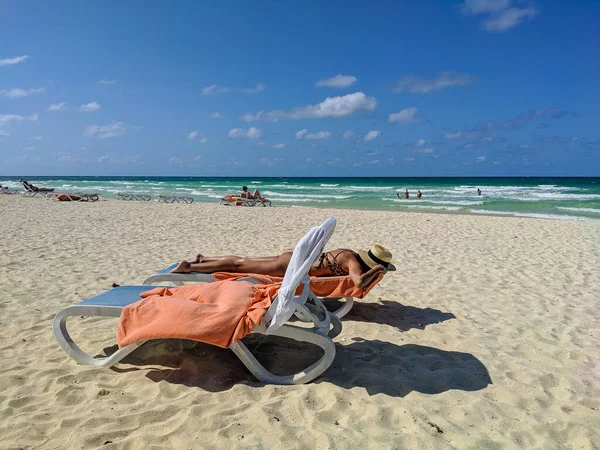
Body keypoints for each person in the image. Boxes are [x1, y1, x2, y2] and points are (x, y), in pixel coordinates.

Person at [171, 244, 396, 288]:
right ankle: (189, 269)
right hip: (290, 266)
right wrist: (378, 270)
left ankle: (203, 259)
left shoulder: (349, 252)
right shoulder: (354, 263)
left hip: (293, 256)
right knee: (239, 267)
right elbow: (357, 281)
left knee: (243, 260)